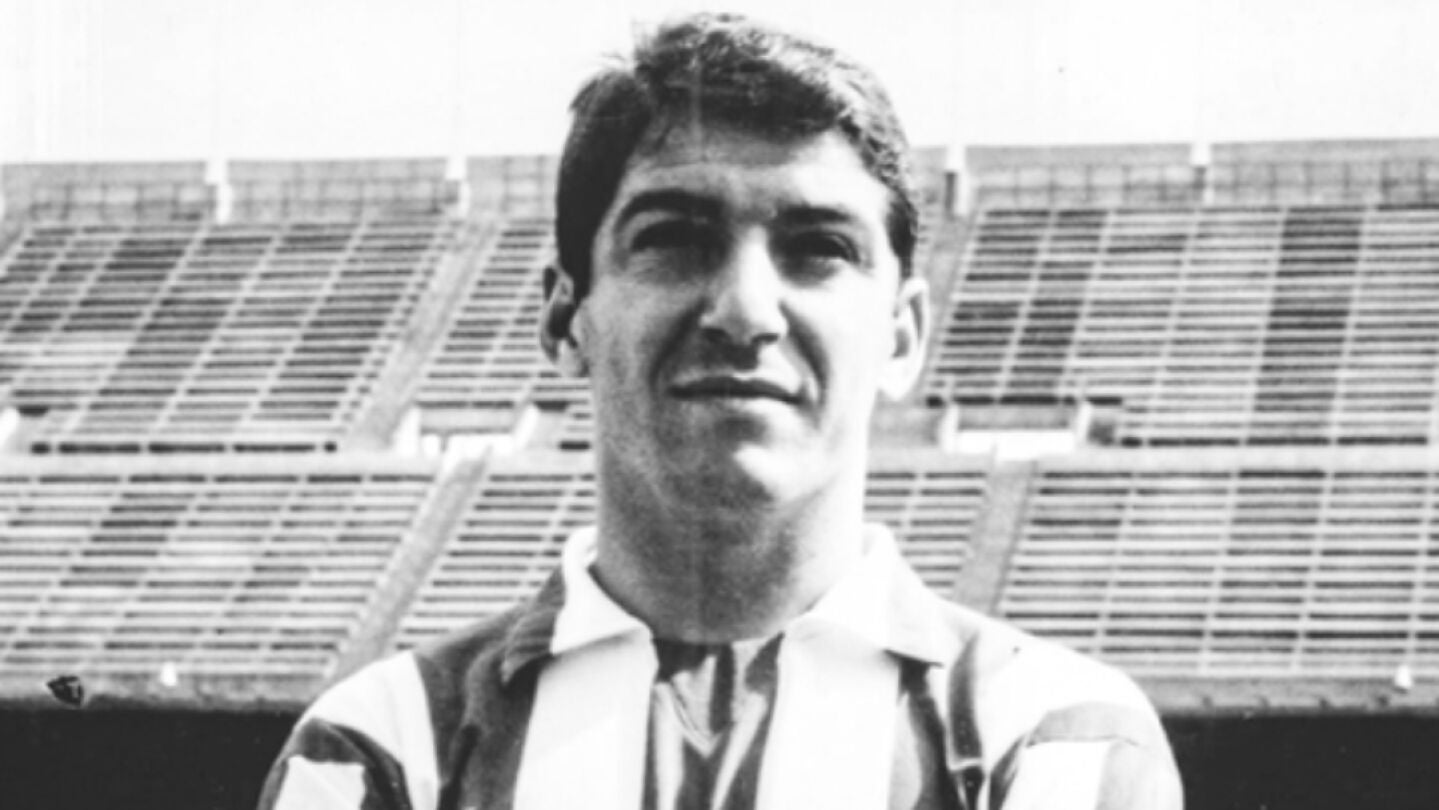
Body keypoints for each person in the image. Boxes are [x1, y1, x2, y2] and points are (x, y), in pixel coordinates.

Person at [259, 13, 1182, 810]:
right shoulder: (384, 746)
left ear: (901, 336)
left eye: (818, 248)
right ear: (564, 317)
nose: (744, 311)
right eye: (673, 238)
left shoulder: (1049, 736)